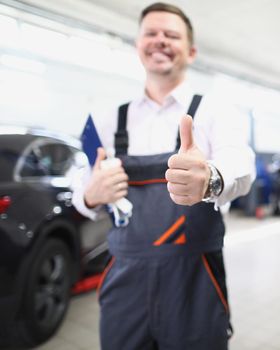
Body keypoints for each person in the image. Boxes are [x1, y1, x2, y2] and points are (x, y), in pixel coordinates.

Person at [72, 3, 255, 349]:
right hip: (124, 281)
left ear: (191, 50)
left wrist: (211, 178)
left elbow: (242, 165)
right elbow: (79, 190)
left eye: (171, 35)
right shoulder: (106, 120)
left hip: (195, 282)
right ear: (137, 44)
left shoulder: (215, 112)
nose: (160, 41)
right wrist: (91, 193)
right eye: (151, 33)